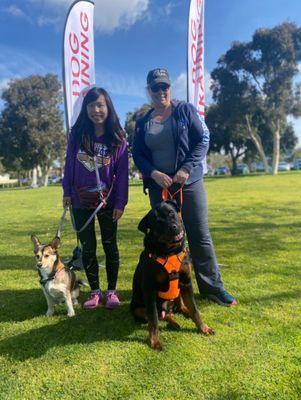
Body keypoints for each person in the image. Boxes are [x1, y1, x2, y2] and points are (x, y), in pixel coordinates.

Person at [132, 68, 237, 306]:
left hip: (188, 183)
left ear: (170, 88)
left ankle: (213, 288)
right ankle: (169, 288)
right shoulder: (142, 122)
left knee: (199, 236)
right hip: (161, 187)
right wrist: (153, 172)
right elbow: (137, 153)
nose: (161, 92)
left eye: (164, 87)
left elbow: (202, 141)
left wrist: (186, 168)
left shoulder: (185, 111)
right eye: (155, 88)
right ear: (149, 91)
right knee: (164, 237)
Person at [63, 87, 128, 310]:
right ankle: (94, 291)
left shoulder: (118, 137)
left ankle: (111, 291)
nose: (96, 110)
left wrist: (121, 202)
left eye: (100, 105)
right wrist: (67, 192)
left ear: (108, 107)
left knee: (110, 245)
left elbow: (122, 175)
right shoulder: (77, 134)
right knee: (88, 247)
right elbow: (69, 164)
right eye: (91, 106)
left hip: (107, 202)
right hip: (81, 201)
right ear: (86, 108)